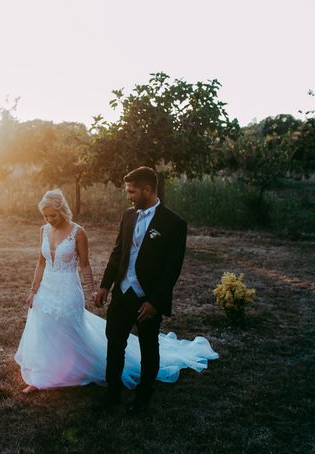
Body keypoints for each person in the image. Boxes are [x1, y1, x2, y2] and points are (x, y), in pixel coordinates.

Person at [15, 186, 218, 407]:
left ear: (62, 211)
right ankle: (42, 375)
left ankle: (77, 370)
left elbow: (85, 265)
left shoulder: (78, 232)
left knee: (70, 328)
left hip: (67, 288)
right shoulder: (44, 230)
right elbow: (41, 262)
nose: (49, 219)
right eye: (46, 216)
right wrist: (33, 290)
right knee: (45, 329)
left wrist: (94, 288)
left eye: (52, 215)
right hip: (47, 288)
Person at [94, 166, 192, 413]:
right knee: (114, 343)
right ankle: (112, 392)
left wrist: (156, 302)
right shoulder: (128, 216)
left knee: (149, 348)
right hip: (122, 293)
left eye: (132, 191)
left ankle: (143, 396)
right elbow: (118, 253)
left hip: (147, 299)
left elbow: (172, 269)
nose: (129, 196)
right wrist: (106, 286)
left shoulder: (174, 223)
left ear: (148, 190)